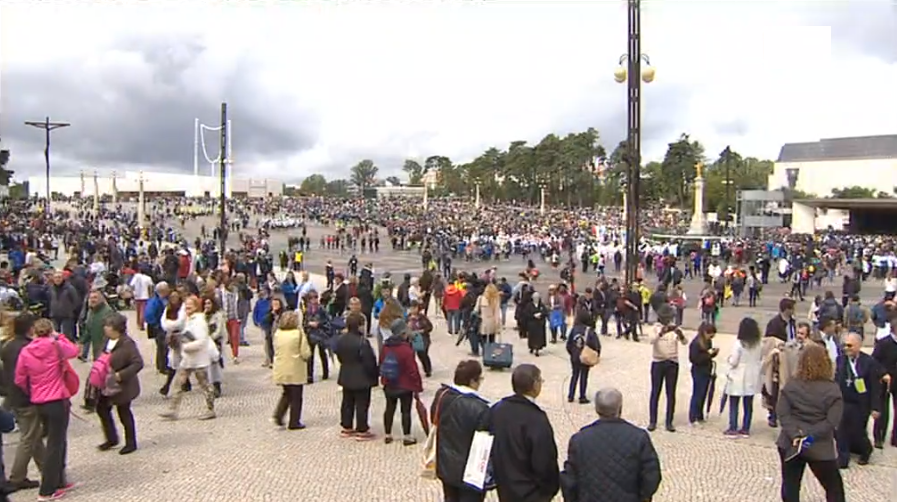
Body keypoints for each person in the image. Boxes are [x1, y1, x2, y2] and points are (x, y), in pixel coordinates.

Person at [14, 318, 80, 501]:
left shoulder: (26, 351)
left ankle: (60, 480)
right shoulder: (56, 346)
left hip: (39, 400)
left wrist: (33, 390)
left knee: (54, 440)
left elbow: (19, 378)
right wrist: (61, 337)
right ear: (50, 331)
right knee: (56, 443)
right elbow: (74, 351)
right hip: (58, 398)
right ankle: (47, 489)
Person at [560, 388, 661, 502]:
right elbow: (652, 475)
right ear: (620, 408)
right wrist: (642, 496)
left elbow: (569, 481)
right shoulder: (639, 437)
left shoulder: (579, 440)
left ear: (597, 409)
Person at [775, 343, 845, 502]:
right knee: (834, 488)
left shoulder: (792, 385)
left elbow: (783, 413)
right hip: (817, 445)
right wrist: (809, 438)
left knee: (791, 485)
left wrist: (796, 435)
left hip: (791, 442)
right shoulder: (832, 390)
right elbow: (831, 422)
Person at [487, 364, 559, 502]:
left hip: (505, 488)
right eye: (540, 380)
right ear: (534, 385)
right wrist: (549, 489)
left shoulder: (497, 410)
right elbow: (544, 460)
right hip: (532, 493)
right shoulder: (536, 418)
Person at [431, 360, 490, 502]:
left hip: (446, 465)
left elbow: (434, 418)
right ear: (472, 381)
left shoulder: (442, 395)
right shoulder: (481, 408)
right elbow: (484, 445)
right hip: (470, 473)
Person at [1, 313, 42, 493]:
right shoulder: (28, 347)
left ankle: (49, 471)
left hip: (13, 397)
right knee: (28, 437)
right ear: (30, 328)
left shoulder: (7, 345)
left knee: (34, 435)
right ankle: (17, 477)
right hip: (26, 398)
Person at [160, 295, 216, 421]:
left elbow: (202, 341)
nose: (187, 307)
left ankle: (210, 409)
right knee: (178, 383)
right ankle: (172, 410)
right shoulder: (188, 319)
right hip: (188, 359)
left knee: (205, 385)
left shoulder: (199, 321)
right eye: (186, 305)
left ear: (196, 306)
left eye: (190, 305)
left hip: (199, 359)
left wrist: (186, 346)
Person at [95, 313, 144, 455]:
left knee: (124, 412)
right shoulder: (106, 341)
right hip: (105, 383)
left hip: (123, 386)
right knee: (102, 409)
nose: (105, 328)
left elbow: (137, 363)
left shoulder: (127, 343)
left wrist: (120, 375)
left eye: (108, 326)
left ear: (116, 328)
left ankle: (131, 442)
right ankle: (111, 438)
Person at [834, 332, 882, 467]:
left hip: (860, 404)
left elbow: (875, 386)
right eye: (845, 345)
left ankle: (866, 450)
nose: (846, 348)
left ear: (858, 345)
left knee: (858, 431)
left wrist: (875, 407)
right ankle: (843, 458)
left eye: (850, 345)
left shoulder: (869, 362)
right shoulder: (841, 360)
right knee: (840, 430)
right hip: (843, 401)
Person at [335, 312, 378, 441]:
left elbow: (339, 356)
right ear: (359, 326)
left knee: (347, 402)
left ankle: (347, 426)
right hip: (362, 376)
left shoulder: (341, 339)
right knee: (362, 404)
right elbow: (369, 362)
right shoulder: (362, 342)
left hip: (346, 374)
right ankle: (362, 429)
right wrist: (374, 375)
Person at [379, 318, 423, 445]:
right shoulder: (406, 350)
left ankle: (387, 434)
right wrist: (418, 387)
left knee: (389, 408)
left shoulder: (385, 347)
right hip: (405, 385)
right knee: (405, 411)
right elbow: (412, 370)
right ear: (403, 333)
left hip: (389, 384)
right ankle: (407, 436)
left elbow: (381, 363)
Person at [647, 305, 687, 432]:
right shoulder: (655, 328)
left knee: (671, 393)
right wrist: (661, 332)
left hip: (672, 363)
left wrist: (679, 334)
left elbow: (685, 342)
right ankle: (652, 421)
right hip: (658, 362)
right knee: (655, 392)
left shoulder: (675, 328)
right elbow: (651, 341)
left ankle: (669, 421)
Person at [271, 310, 311, 430]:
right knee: (296, 396)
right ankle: (294, 421)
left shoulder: (278, 333)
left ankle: (279, 415)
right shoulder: (298, 334)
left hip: (281, 367)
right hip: (295, 368)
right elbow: (305, 352)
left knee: (286, 393)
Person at [724, 317, 763, 437]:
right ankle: (746, 428)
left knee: (734, 403)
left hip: (738, 375)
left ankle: (733, 427)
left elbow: (734, 361)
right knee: (748, 404)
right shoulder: (759, 344)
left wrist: (729, 360)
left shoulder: (739, 344)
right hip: (752, 374)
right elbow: (760, 358)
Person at [872, 314, 897, 449]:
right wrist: (883, 373)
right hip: (885, 380)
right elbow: (874, 361)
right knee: (883, 410)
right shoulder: (884, 343)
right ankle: (879, 437)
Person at [565, 311, 600, 404]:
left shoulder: (574, 329)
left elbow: (568, 344)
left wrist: (572, 353)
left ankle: (570, 395)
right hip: (585, 357)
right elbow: (596, 345)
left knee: (574, 375)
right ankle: (582, 396)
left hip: (575, 357)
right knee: (584, 376)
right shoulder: (590, 331)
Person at [688, 321, 719, 425]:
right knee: (697, 393)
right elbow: (694, 359)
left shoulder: (708, 342)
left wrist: (713, 354)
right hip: (698, 370)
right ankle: (692, 417)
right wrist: (708, 355)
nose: (711, 337)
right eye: (710, 335)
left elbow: (708, 355)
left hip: (706, 370)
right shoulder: (696, 343)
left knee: (704, 393)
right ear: (705, 332)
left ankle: (699, 415)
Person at [159, 292, 185, 397]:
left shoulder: (183, 308)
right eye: (172, 297)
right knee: (173, 361)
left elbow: (180, 322)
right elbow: (163, 322)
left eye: (176, 297)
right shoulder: (167, 309)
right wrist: (170, 326)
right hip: (171, 337)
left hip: (182, 336)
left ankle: (186, 382)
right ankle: (167, 385)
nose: (174, 299)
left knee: (185, 360)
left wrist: (170, 325)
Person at [408, 299, 434, 377]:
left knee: (423, 354)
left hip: (422, 338)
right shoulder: (407, 318)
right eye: (411, 308)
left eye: (414, 307)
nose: (413, 310)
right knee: (410, 356)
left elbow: (430, 327)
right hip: (412, 338)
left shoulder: (422, 317)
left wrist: (422, 331)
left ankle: (427, 370)